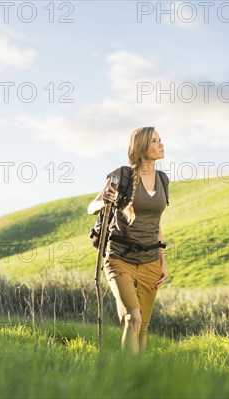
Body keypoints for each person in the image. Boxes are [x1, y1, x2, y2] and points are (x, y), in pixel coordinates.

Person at [87, 127, 169, 355]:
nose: (161, 144)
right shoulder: (121, 175)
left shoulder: (163, 180)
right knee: (133, 319)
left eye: (160, 140)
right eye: (155, 141)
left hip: (150, 261)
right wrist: (104, 200)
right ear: (143, 147)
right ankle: (125, 377)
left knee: (142, 328)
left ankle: (137, 381)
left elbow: (157, 225)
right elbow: (90, 208)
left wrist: (163, 262)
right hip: (119, 258)